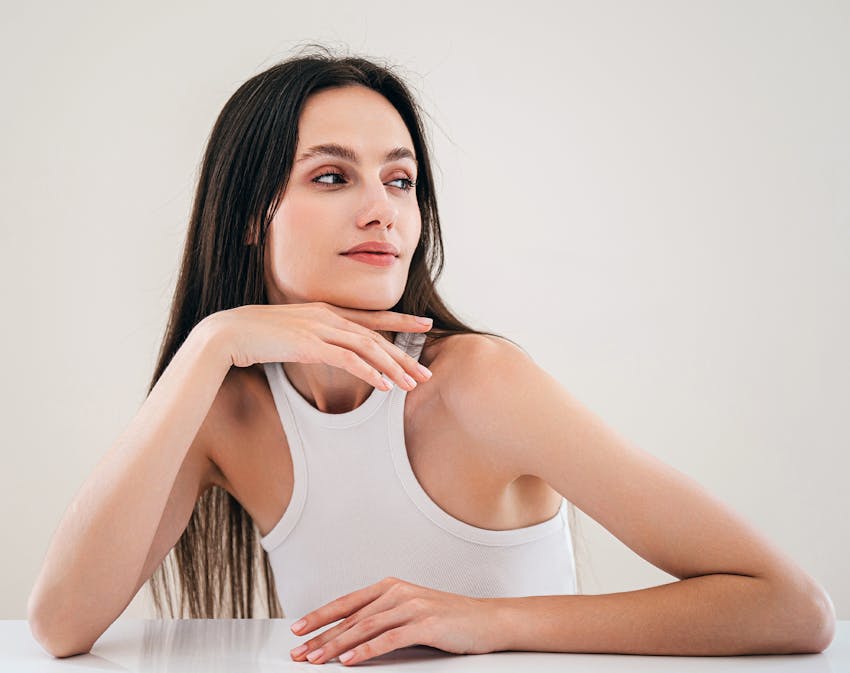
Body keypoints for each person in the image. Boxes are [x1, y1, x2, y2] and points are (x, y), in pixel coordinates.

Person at [27, 45, 835, 663]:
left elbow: (789, 607)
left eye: (402, 179)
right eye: (334, 176)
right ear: (247, 215)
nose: (383, 211)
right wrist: (212, 342)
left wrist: (486, 621)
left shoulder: (479, 383)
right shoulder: (227, 411)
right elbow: (61, 626)